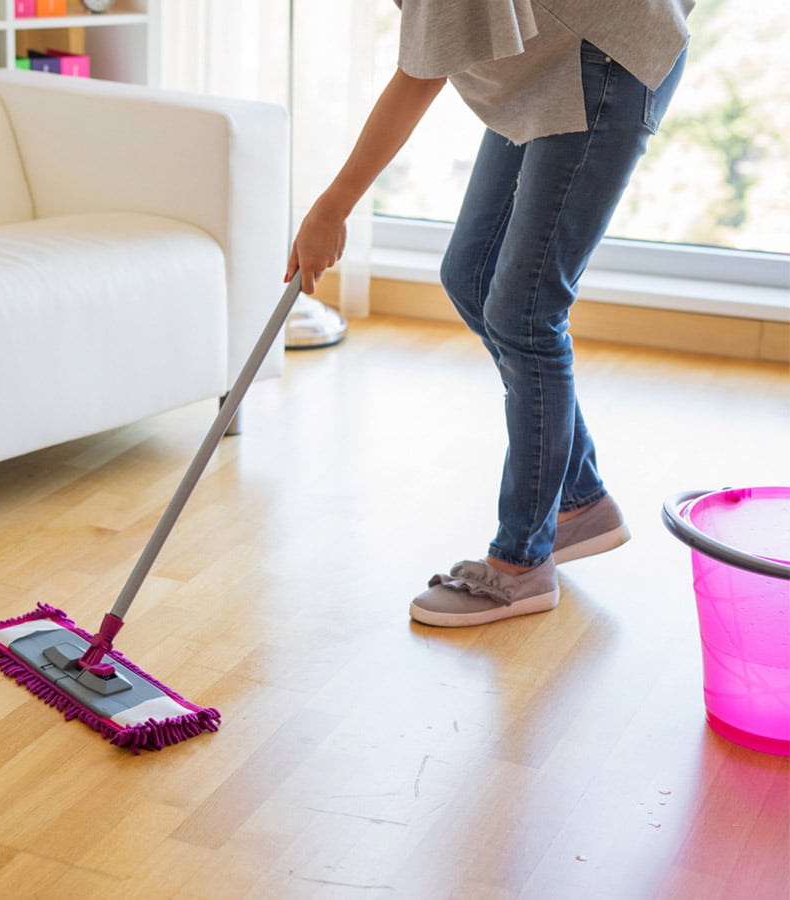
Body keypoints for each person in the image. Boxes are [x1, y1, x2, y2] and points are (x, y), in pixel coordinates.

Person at [286, 0, 693, 627]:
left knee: (527, 312)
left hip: (602, 60)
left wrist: (331, 208)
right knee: (472, 275)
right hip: (543, 62)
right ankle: (579, 504)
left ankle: (521, 564)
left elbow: (421, 76)